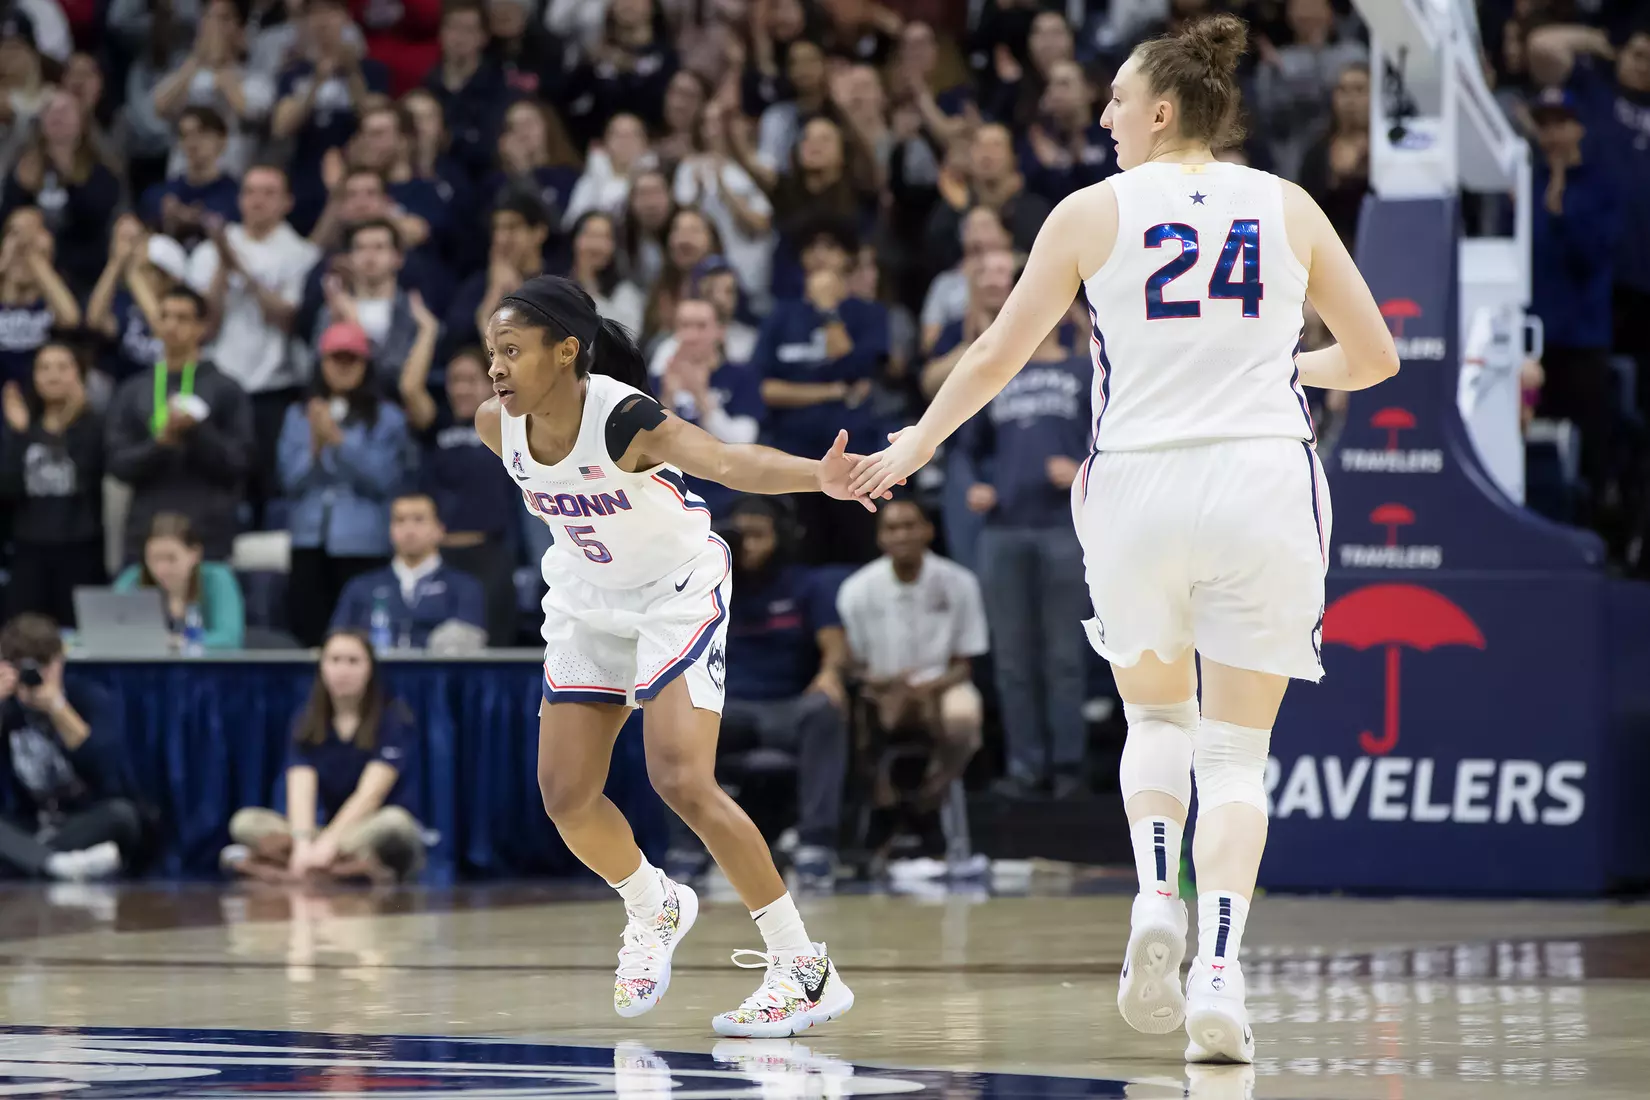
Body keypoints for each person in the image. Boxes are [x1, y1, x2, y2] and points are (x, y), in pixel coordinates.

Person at [848, 15, 1399, 1064]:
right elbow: (1372, 356)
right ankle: (1223, 971)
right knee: (1239, 753)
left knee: (1158, 717)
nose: (1102, 115)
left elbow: (998, 354)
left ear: (1159, 110)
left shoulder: (1088, 212)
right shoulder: (1287, 205)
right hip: (1261, 479)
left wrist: (916, 440)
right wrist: (1277, 369)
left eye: (1114, 100)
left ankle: (1155, 894)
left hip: (1139, 485)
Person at [474, 273, 867, 1035]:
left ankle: (804, 968)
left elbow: (726, 461)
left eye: (512, 350)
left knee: (681, 779)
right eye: (492, 351)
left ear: (565, 352)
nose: (496, 367)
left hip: (672, 591)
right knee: (564, 795)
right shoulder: (498, 425)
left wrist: (820, 478)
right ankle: (654, 906)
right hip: (589, 599)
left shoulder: (622, 417)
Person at [835, 498, 985, 856]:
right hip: (881, 685)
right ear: (880, 538)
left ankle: (928, 799)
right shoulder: (857, 590)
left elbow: (964, 663)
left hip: (942, 682)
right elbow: (852, 665)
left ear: (928, 531)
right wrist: (885, 685)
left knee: (963, 716)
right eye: (891, 528)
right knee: (852, 714)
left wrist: (931, 687)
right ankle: (883, 801)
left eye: (909, 525)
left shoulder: (960, 583)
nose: (901, 535)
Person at [224, 629, 427, 884]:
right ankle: (343, 868)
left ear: (370, 669)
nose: (343, 670)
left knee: (396, 825)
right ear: (322, 667)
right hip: (326, 831)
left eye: (353, 661)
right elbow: (301, 788)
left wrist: (329, 844)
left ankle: (275, 866)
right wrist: (302, 843)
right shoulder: (307, 720)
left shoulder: (394, 719)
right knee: (245, 822)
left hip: (365, 826)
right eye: (335, 660)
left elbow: (369, 796)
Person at [277, 321, 413, 648]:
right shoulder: (297, 415)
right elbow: (288, 481)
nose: (342, 367)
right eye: (334, 358)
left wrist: (338, 441)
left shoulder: (388, 417)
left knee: (361, 636)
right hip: (309, 539)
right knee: (309, 637)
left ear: (365, 366)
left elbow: (385, 479)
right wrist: (315, 445)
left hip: (363, 542)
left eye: (351, 359)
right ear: (320, 363)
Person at [105, 286, 254, 563]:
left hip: (207, 536)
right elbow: (117, 465)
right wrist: (159, 444)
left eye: (182, 318)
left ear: (201, 327)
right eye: (165, 316)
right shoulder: (133, 390)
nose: (172, 325)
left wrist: (197, 432)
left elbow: (239, 463)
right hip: (145, 533)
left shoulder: (226, 389)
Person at [0, 613, 148, 882]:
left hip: (84, 821)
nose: (36, 677)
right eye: (26, 669)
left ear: (59, 662)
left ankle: (36, 861)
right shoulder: (7, 708)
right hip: (31, 825)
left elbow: (107, 769)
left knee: (123, 816)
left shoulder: (90, 698)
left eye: (44, 666)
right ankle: (55, 864)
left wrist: (58, 708)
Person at [403, 342, 523, 647]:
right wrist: (429, 332)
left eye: (471, 380)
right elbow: (409, 388)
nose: (461, 389)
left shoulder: (505, 424)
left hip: (488, 556)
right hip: (438, 557)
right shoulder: (437, 426)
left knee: (491, 646)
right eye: (455, 380)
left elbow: (517, 374)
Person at [0, 344, 104, 625]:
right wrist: (19, 435)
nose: (53, 375)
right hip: (29, 548)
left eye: (62, 367)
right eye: (44, 368)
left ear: (79, 375)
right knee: (20, 638)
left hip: (80, 549)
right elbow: (7, 488)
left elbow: (87, 479)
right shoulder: (22, 425)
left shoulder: (93, 426)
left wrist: (68, 422)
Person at [330, 492, 487, 648]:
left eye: (419, 520)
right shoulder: (360, 587)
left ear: (440, 529)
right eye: (400, 520)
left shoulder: (464, 587)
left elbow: (468, 647)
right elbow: (337, 643)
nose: (409, 529)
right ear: (390, 530)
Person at [112, 511, 246, 651]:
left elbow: (230, 639)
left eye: (171, 559)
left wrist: (179, 642)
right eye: (154, 559)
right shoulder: (133, 578)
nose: (161, 569)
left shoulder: (217, 578)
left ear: (194, 554)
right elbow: (104, 630)